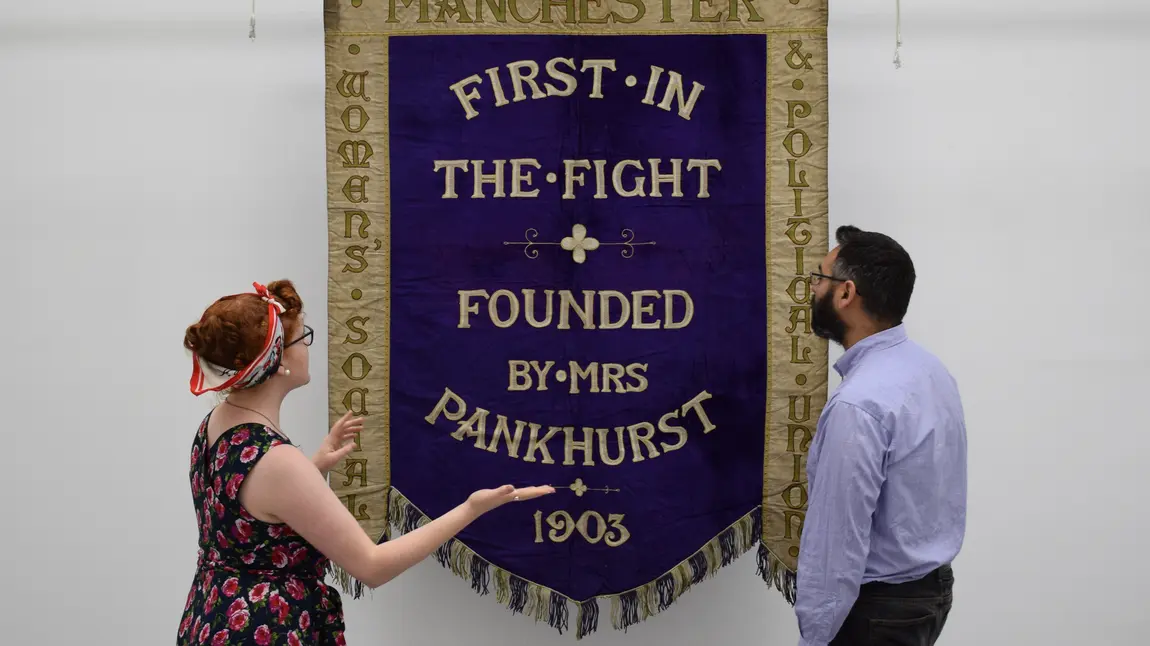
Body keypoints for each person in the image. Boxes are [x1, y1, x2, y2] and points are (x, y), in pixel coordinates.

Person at [177, 280, 553, 645]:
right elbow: (372, 566)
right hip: (266, 627)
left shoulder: (216, 425)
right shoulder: (278, 461)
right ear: (277, 363)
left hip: (212, 617)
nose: (308, 346)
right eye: (301, 338)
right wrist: (471, 508)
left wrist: (315, 467)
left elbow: (247, 519)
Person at [794, 226, 967, 646]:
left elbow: (837, 544)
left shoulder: (859, 403)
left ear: (846, 293)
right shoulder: (929, 370)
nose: (812, 289)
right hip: (928, 595)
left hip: (876, 615)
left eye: (819, 278)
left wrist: (814, 639)